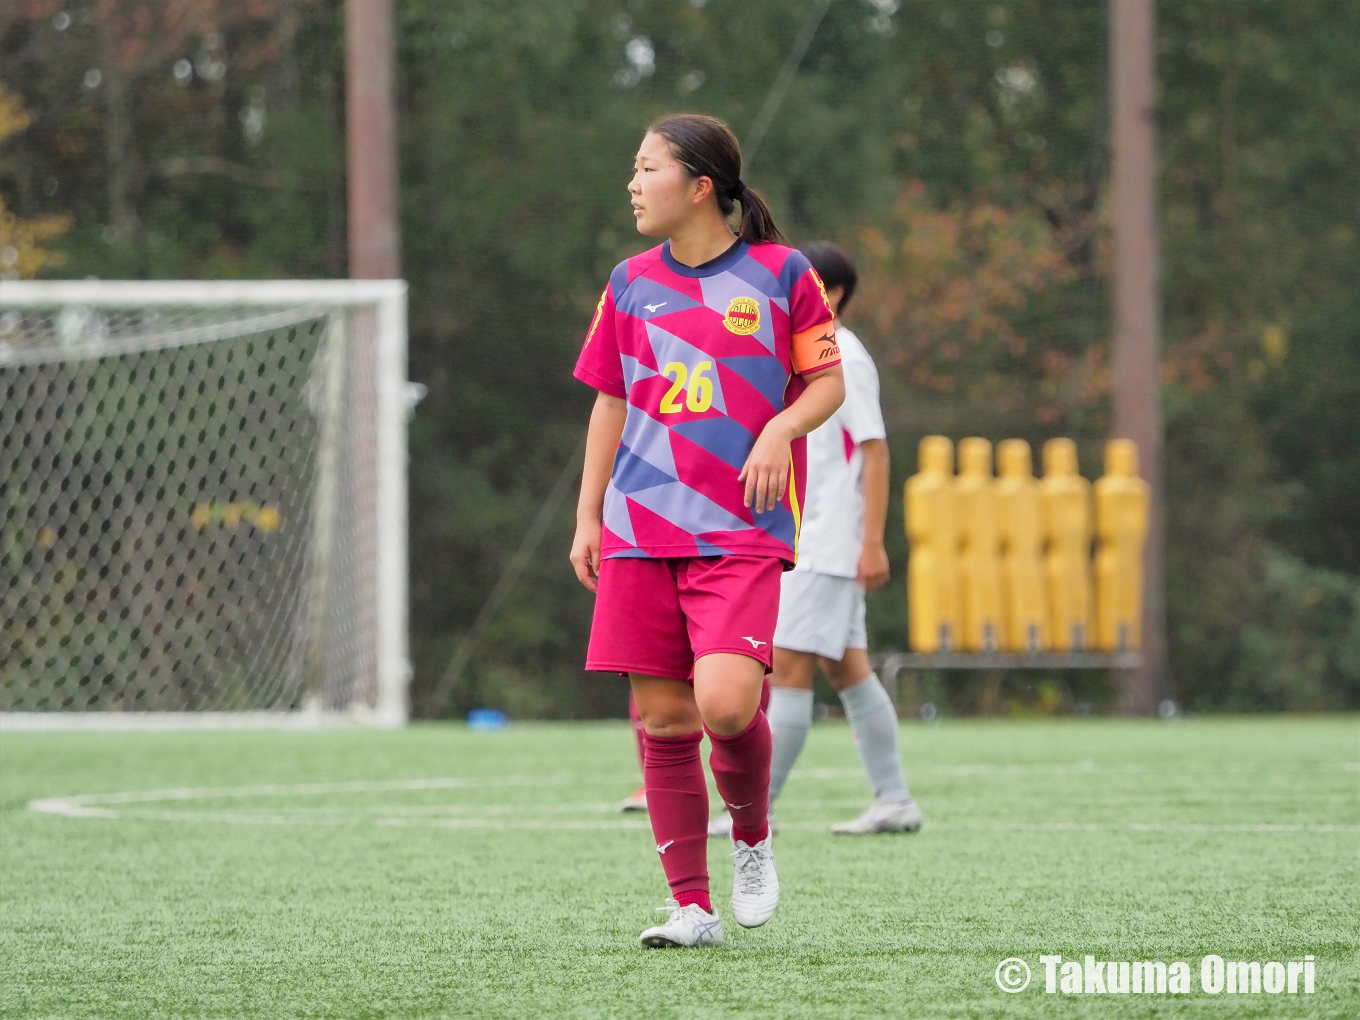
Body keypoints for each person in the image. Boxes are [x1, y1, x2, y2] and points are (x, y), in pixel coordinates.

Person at [570, 113, 844, 948]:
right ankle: (692, 907)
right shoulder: (627, 283)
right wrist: (588, 515)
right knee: (663, 723)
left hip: (741, 529)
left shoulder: (782, 273)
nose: (632, 182)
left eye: (646, 167)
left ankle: (753, 841)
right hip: (639, 528)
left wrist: (777, 431)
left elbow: (824, 385)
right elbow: (611, 401)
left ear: (699, 186)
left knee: (726, 706)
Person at [708, 242, 924, 839]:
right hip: (816, 536)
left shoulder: (845, 357)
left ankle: (754, 811)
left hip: (827, 539)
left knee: (789, 670)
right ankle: (895, 798)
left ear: (829, 294)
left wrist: (871, 541)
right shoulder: (805, 355)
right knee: (848, 669)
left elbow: (875, 450)